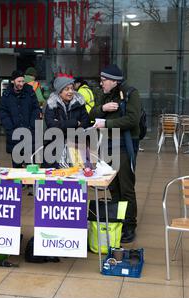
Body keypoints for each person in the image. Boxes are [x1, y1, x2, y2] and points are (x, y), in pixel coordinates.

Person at [89, 64, 141, 243]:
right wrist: (103, 109)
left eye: (104, 81)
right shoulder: (106, 95)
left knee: (126, 187)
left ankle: (129, 225)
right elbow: (92, 112)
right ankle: (118, 221)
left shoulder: (131, 93)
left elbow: (133, 120)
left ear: (114, 81)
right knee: (113, 187)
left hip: (125, 146)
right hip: (107, 147)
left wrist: (107, 124)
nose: (101, 84)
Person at [44, 75, 91, 167]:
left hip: (76, 145)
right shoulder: (51, 105)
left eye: (72, 88)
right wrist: (74, 123)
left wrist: (62, 126)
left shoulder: (79, 104)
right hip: (55, 147)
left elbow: (85, 123)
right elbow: (52, 126)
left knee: (78, 174)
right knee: (56, 177)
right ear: (59, 92)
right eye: (66, 89)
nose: (70, 92)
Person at [0, 70, 40, 168]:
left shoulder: (30, 92)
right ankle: (18, 184)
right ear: (13, 81)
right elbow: (3, 113)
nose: (21, 84)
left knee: (31, 166)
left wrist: (32, 125)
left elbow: (36, 109)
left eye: (23, 81)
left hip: (29, 133)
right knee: (16, 167)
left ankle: (30, 184)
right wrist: (10, 128)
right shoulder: (6, 95)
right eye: (19, 81)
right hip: (14, 134)